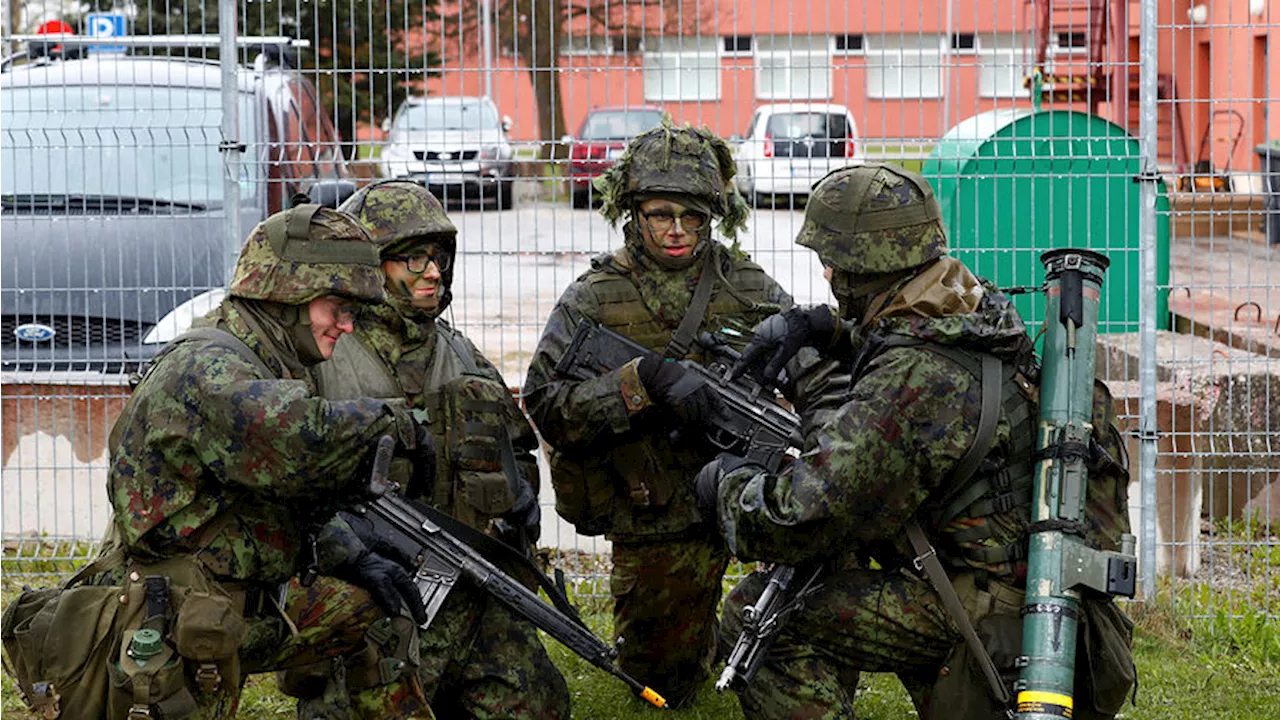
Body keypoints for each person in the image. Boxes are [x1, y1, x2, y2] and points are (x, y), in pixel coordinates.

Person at [701, 163, 1135, 719]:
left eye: (832, 261)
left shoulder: (912, 378)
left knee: (763, 616)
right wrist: (828, 330)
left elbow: (803, 516)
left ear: (865, 267)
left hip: (984, 603)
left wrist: (727, 490)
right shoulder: (972, 303)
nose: (828, 273)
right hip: (1009, 572)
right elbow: (914, 343)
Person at [0, 203, 438, 720]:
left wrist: (355, 557)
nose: (346, 325)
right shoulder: (208, 367)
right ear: (287, 292)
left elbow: (280, 498)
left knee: (372, 609)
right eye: (336, 307)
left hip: (235, 604)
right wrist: (396, 423)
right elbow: (301, 435)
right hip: (175, 621)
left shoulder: (269, 358)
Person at [522, 118, 793, 708]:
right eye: (660, 215)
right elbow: (544, 404)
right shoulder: (596, 297)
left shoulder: (747, 287)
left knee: (813, 593)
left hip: (745, 493)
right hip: (657, 513)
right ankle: (697, 636)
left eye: (692, 217)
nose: (676, 231)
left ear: (713, 216)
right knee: (664, 684)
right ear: (632, 212)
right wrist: (640, 383)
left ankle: (737, 616)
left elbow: (814, 379)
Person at [273, 180, 569, 720]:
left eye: (438, 258)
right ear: (372, 265)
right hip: (368, 587)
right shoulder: (324, 355)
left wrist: (519, 497)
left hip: (463, 586)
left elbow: (516, 447)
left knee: (537, 705)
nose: (433, 272)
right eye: (414, 258)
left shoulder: (460, 354)